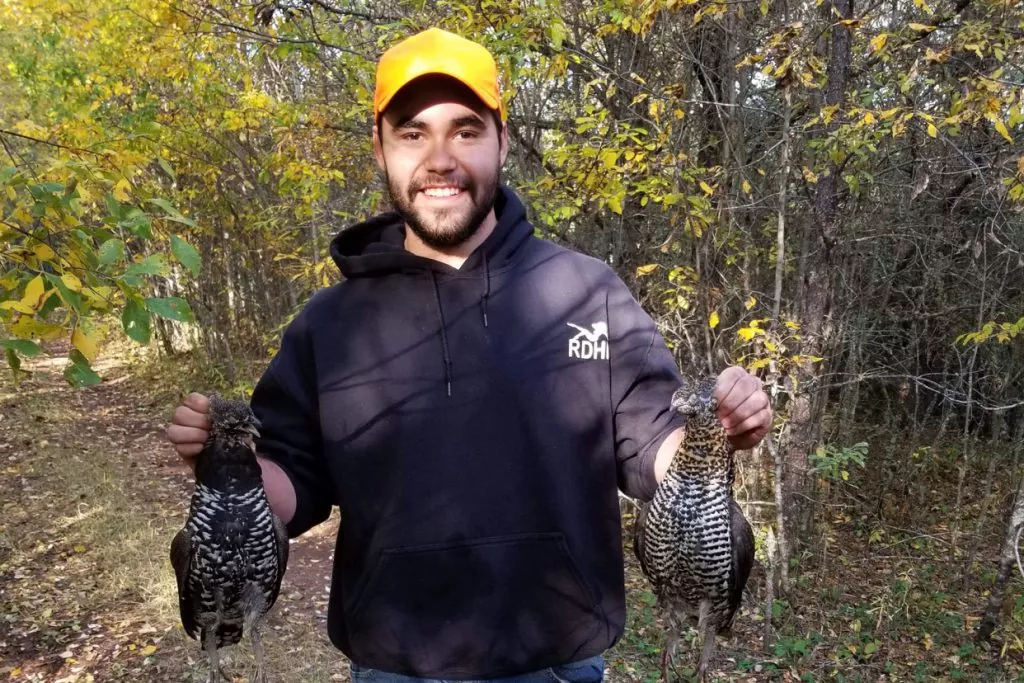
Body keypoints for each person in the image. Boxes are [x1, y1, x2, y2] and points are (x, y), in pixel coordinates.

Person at [166, 27, 772, 683]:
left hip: (559, 663)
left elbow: (652, 444)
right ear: (380, 147)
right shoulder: (329, 325)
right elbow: (287, 482)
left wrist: (715, 428)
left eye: (465, 130)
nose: (440, 157)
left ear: (502, 140)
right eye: (412, 132)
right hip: (393, 666)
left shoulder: (586, 294)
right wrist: (227, 463)